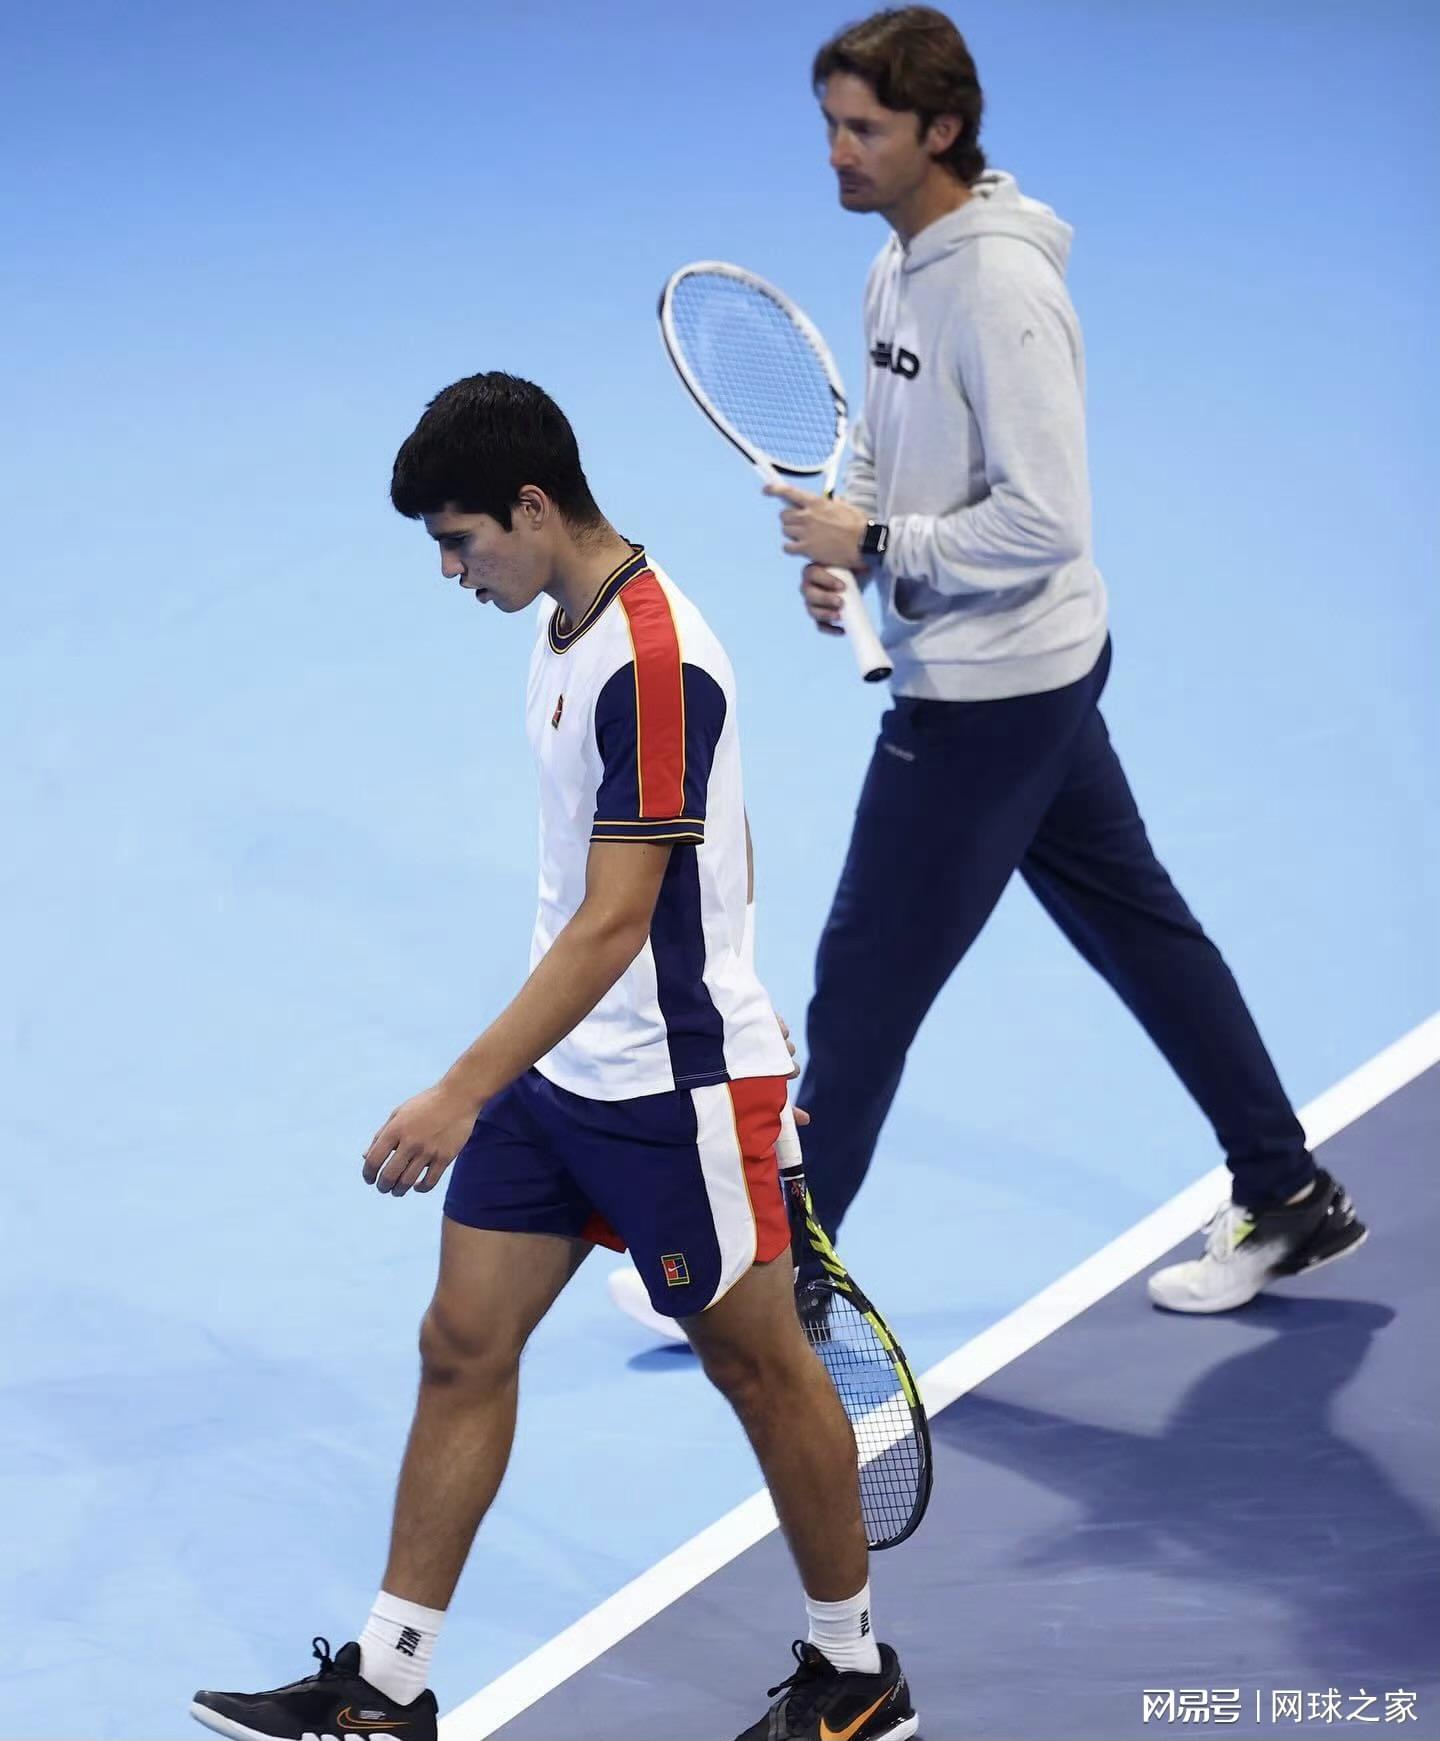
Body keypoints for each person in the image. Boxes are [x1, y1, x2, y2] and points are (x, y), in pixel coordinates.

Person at [189, 374, 918, 1741]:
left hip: (673, 1086)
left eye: (459, 540)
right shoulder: (564, 621)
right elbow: (689, 850)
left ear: (533, 508)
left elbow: (615, 921)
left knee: (760, 1369)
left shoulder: (654, 660)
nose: (452, 571)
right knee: (462, 1341)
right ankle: (389, 1683)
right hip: (564, 1073)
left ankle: (855, 1673)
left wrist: (462, 1089)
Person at [767, 5, 1366, 1315]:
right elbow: (886, 438)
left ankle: (785, 1273)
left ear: (943, 130)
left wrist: (881, 540)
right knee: (1142, 933)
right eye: (829, 126)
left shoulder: (999, 289)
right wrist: (854, 542)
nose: (838, 153)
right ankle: (1286, 1191)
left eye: (864, 129)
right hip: (1024, 675)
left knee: (861, 990)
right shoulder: (896, 262)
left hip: (990, 699)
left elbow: (1046, 520)